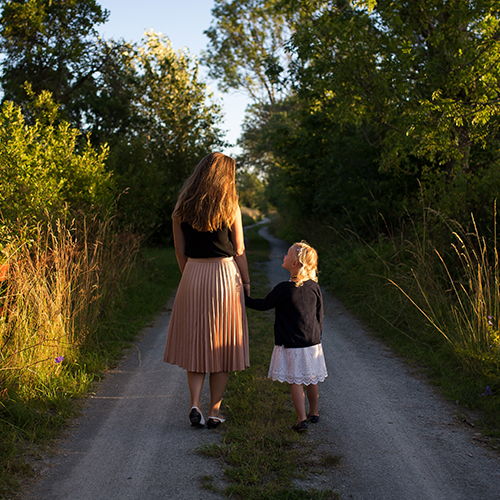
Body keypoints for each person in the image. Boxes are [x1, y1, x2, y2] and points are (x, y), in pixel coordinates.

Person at [163, 152, 250, 429]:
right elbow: (239, 250)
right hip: (224, 275)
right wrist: (246, 282)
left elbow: (179, 250)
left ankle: (194, 404)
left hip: (193, 274)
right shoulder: (230, 205)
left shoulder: (181, 207)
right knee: (221, 345)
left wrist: (189, 275)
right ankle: (214, 411)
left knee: (196, 344)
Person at [245, 241, 327, 432]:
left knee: (296, 381)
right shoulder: (314, 287)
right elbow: (319, 314)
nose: (283, 255)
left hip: (292, 343)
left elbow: (264, 304)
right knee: (311, 378)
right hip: (312, 342)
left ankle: (301, 419)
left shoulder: (283, 289)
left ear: (294, 264)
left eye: (287, 254)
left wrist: (243, 299)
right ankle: (314, 413)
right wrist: (317, 337)